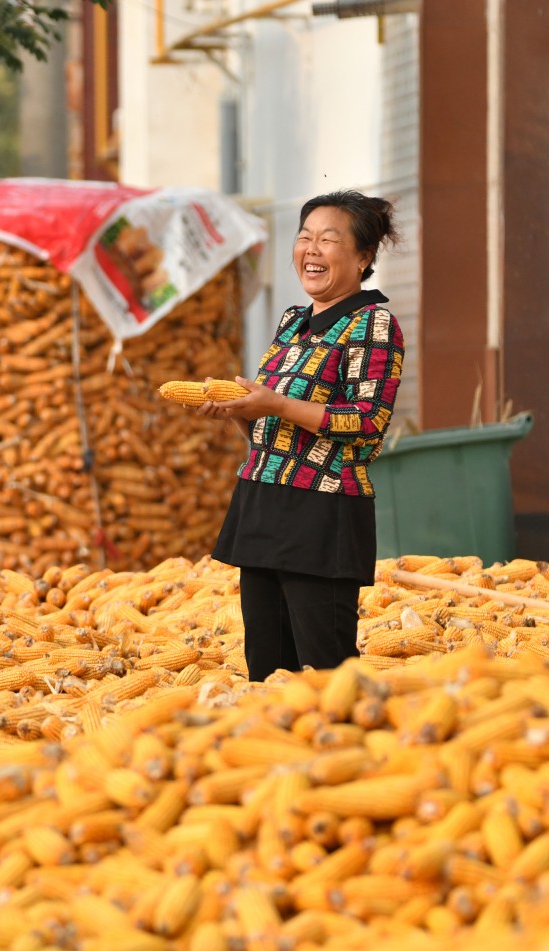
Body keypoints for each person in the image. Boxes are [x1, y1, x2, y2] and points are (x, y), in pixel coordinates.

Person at [198, 190, 404, 681]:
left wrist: (276, 403)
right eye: (304, 236)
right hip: (263, 504)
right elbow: (275, 432)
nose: (311, 249)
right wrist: (241, 412)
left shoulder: (374, 323)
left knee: (323, 671)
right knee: (267, 670)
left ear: (363, 257)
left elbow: (367, 420)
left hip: (322, 514)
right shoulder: (293, 323)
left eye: (329, 240)